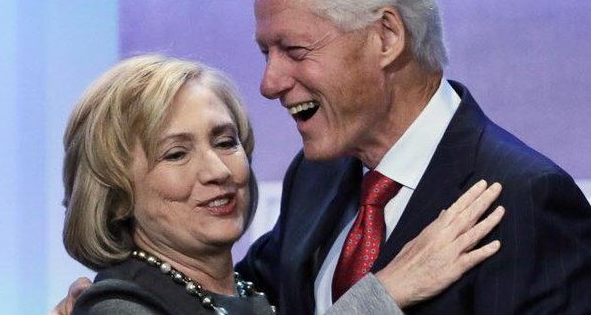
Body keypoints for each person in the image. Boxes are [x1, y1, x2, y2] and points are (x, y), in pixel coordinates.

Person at [233, 0, 591, 315]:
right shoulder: (315, 176)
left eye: (294, 50)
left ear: (386, 36)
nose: (269, 83)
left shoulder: (523, 201)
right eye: (266, 53)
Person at [57, 54, 505, 315]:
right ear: (115, 197)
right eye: (176, 154)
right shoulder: (120, 308)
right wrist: (382, 295)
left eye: (225, 141)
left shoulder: (251, 293)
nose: (218, 170)